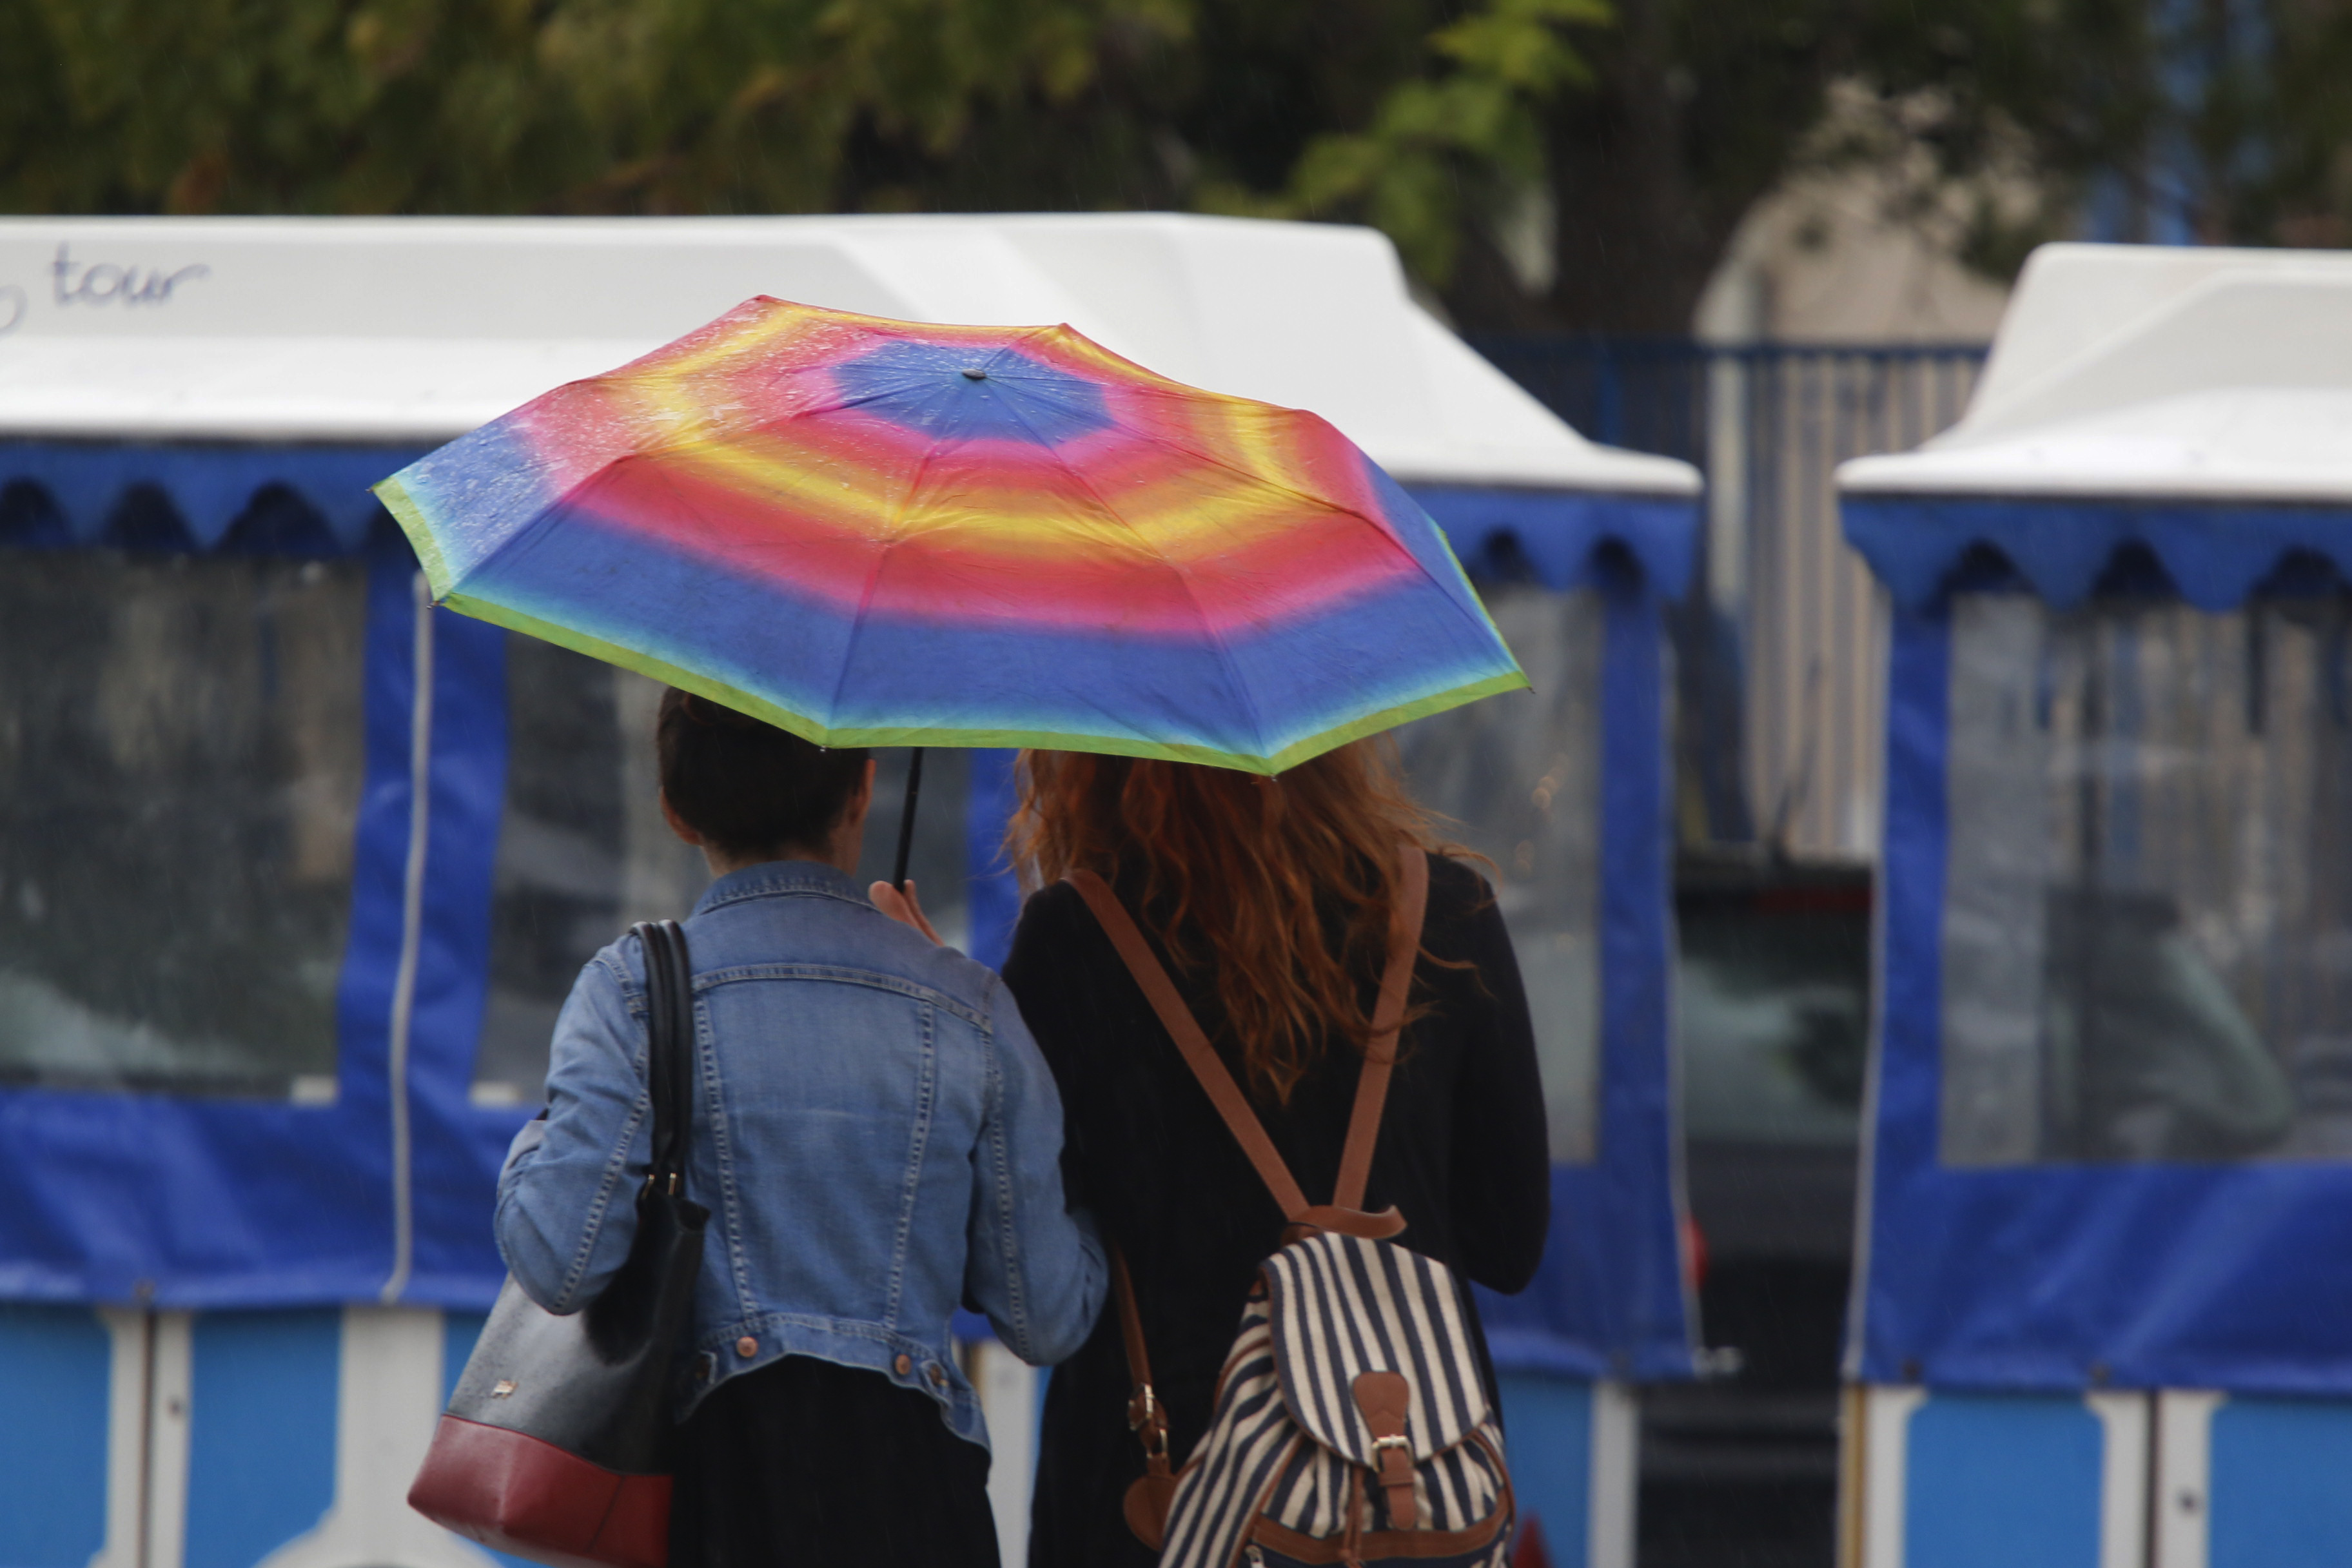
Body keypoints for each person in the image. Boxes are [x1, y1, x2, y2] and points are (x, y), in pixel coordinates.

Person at [496, 691, 1105, 1568]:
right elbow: (1047, 1318)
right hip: (919, 1504)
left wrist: (540, 1138)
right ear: (862, 790)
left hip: (712, 1497)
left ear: (675, 809)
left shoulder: (630, 990)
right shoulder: (969, 1007)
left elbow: (559, 1261)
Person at [985, 741, 1551, 1568]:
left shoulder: (1076, 938)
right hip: (1400, 1498)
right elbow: (1508, 1244)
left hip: (1158, 1494)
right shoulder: (1445, 914)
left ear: (1093, 752)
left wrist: (962, 1025)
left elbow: (1041, 1270)